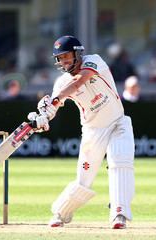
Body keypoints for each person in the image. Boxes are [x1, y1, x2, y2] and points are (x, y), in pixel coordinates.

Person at [28, 36, 135, 229]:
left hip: (118, 122)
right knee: (84, 178)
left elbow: (79, 81)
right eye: (60, 58)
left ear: (78, 53)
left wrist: (56, 98)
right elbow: (53, 107)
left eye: (67, 56)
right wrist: (44, 115)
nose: (64, 61)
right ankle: (62, 212)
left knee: (120, 161)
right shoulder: (61, 83)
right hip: (93, 131)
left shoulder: (94, 61)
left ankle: (119, 214)